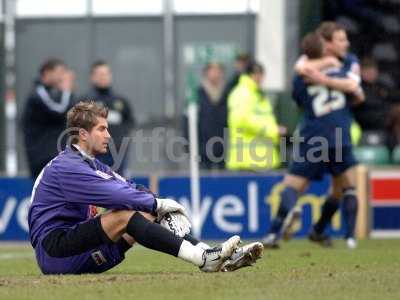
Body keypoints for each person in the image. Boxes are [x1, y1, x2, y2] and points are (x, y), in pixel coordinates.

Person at [28, 100, 263, 275]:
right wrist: (158, 203)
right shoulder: (67, 167)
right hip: (55, 253)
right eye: (101, 129)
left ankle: (213, 255)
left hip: (79, 250)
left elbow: (129, 187)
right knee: (125, 214)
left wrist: (156, 205)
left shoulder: (90, 164)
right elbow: (114, 195)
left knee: (146, 211)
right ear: (82, 134)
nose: (108, 135)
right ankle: (203, 258)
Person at [262, 25, 364, 250]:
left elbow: (298, 99)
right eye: (340, 39)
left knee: (293, 185)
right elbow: (357, 92)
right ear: (327, 45)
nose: (345, 44)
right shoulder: (344, 67)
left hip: (314, 135)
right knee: (345, 187)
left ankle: (273, 233)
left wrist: (319, 79)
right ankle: (347, 237)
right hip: (339, 135)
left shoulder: (303, 75)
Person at [226, 61, 286, 171]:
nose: (262, 79)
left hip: (262, 159)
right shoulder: (242, 93)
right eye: (260, 75)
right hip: (246, 161)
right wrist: (273, 130)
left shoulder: (257, 94)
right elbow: (242, 120)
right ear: (255, 75)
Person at [22, 58, 75, 178]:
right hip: (43, 158)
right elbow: (59, 111)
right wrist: (66, 91)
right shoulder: (38, 93)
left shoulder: (51, 94)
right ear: (47, 73)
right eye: (60, 72)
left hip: (54, 156)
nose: (63, 77)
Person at [81, 60, 135, 175]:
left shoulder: (121, 101)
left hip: (117, 154)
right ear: (92, 77)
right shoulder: (85, 101)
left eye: (106, 74)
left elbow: (129, 122)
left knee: (118, 187)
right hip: (95, 154)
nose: (103, 77)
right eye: (100, 74)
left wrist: (121, 141)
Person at [198, 62, 226, 170]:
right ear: (206, 73)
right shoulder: (198, 94)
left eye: (218, 71)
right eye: (212, 70)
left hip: (224, 146)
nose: (216, 74)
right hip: (203, 147)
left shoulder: (227, 93)